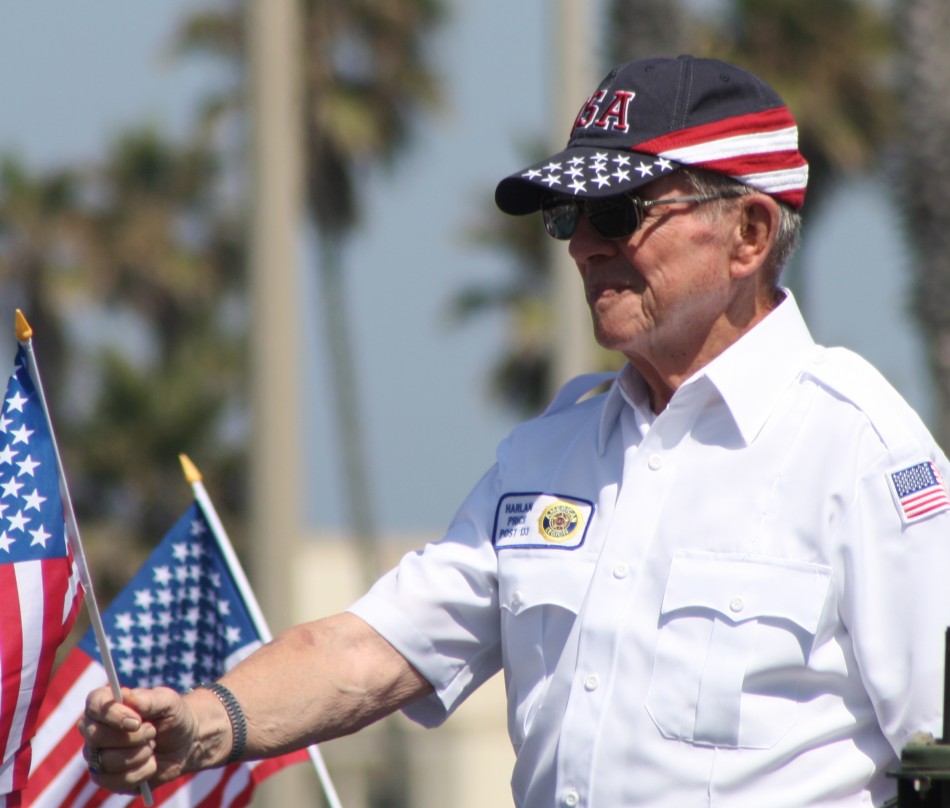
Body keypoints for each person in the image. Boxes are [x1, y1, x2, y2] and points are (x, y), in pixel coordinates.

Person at [81, 54, 950, 807]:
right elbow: (369, 650)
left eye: (617, 215)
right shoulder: (547, 452)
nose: (581, 249)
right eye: (569, 219)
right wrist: (200, 723)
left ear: (749, 234)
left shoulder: (861, 450)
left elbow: (937, 748)